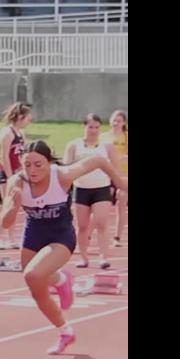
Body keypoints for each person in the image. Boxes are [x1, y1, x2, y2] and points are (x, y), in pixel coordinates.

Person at [5, 140, 124, 355]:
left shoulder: (62, 175)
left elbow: (97, 160)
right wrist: (13, 206)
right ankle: (65, 329)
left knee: (32, 274)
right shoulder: (17, 182)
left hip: (60, 235)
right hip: (33, 235)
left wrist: (119, 182)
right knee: (36, 287)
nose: (32, 170)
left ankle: (60, 280)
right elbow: (5, 223)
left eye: (38, 165)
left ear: (49, 162)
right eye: (27, 165)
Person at [63, 113, 122, 269]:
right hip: (81, 188)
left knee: (102, 222)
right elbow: (66, 168)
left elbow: (116, 168)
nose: (94, 130)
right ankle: (84, 257)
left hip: (101, 188)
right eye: (90, 127)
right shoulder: (74, 145)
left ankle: (103, 257)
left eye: (96, 127)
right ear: (84, 127)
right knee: (82, 226)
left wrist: (117, 186)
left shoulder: (107, 146)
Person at [0, 101, 32, 259]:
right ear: (20, 117)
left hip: (18, 173)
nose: (29, 121)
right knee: (7, 206)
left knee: (15, 207)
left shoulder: (21, 134)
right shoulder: (7, 133)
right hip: (6, 174)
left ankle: (11, 238)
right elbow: (4, 156)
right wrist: (9, 177)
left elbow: (21, 155)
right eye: (28, 118)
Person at [110, 109, 128, 247]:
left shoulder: (126, 137)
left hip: (123, 175)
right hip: (107, 175)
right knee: (101, 206)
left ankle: (117, 237)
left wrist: (123, 157)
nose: (116, 123)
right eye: (114, 120)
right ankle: (89, 234)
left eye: (119, 121)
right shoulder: (104, 137)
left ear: (124, 123)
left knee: (121, 205)